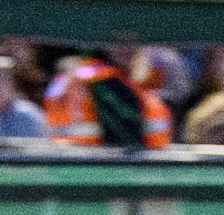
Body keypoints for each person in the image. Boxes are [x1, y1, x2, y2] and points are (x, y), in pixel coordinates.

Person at [43, 49, 173, 147]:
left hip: (71, 161)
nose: (128, 49)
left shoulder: (71, 77)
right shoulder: (104, 81)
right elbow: (125, 138)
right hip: (91, 166)